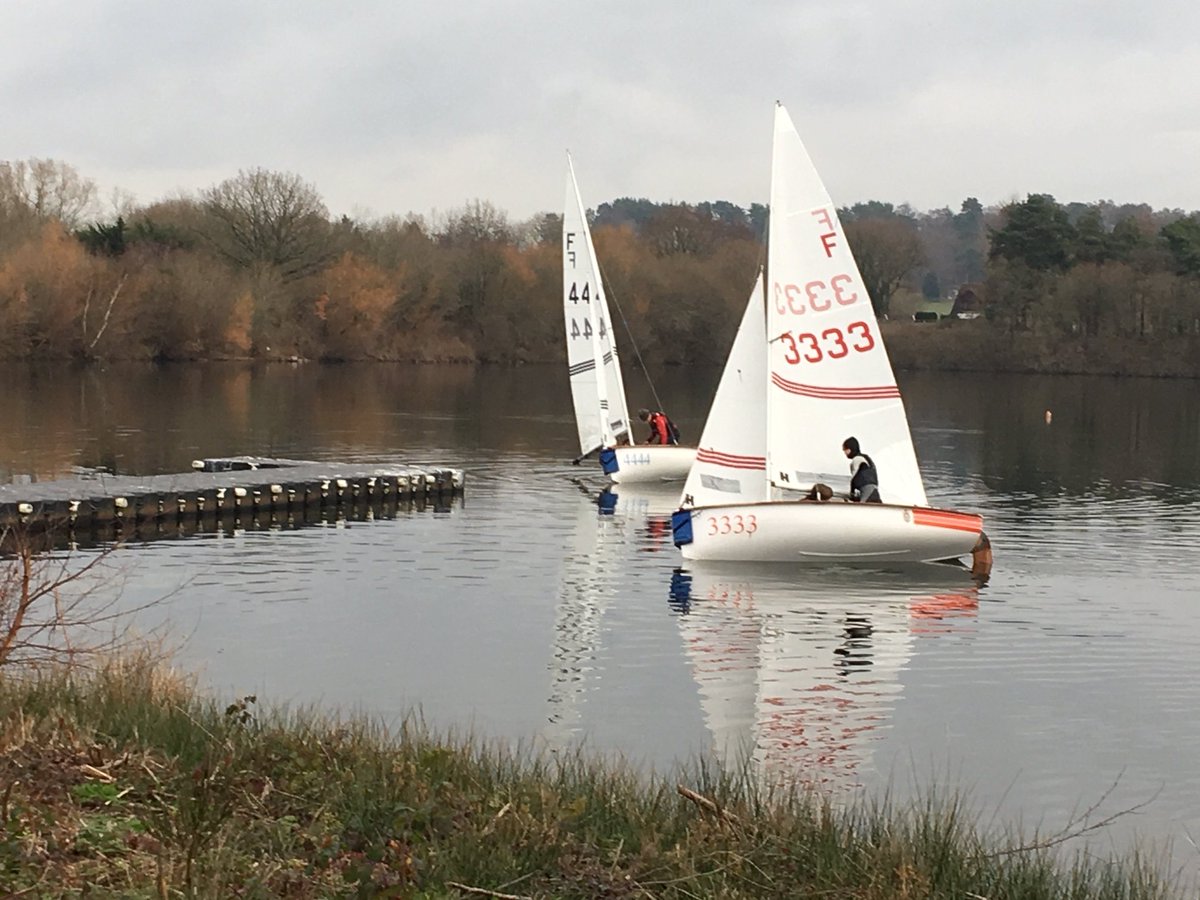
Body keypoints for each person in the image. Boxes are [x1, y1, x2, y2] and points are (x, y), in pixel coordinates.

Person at [842, 436, 881, 503]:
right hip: (874, 490)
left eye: (844, 450)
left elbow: (853, 479)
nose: (844, 452)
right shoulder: (866, 458)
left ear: (849, 450)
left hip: (867, 491)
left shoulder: (856, 459)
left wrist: (851, 494)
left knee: (860, 508)